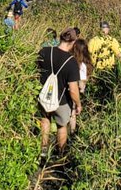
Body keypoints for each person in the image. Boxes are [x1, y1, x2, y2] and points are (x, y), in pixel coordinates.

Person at [37, 27, 82, 155]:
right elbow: (73, 90)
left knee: (45, 121)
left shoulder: (44, 52)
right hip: (61, 100)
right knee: (61, 126)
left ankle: (43, 151)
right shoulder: (71, 62)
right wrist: (78, 104)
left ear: (60, 37)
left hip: (44, 95)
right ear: (73, 42)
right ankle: (60, 154)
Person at [69, 37, 93, 134]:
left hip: (66, 89)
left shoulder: (70, 61)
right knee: (72, 113)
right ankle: (72, 133)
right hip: (76, 91)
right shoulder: (83, 65)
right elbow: (81, 84)